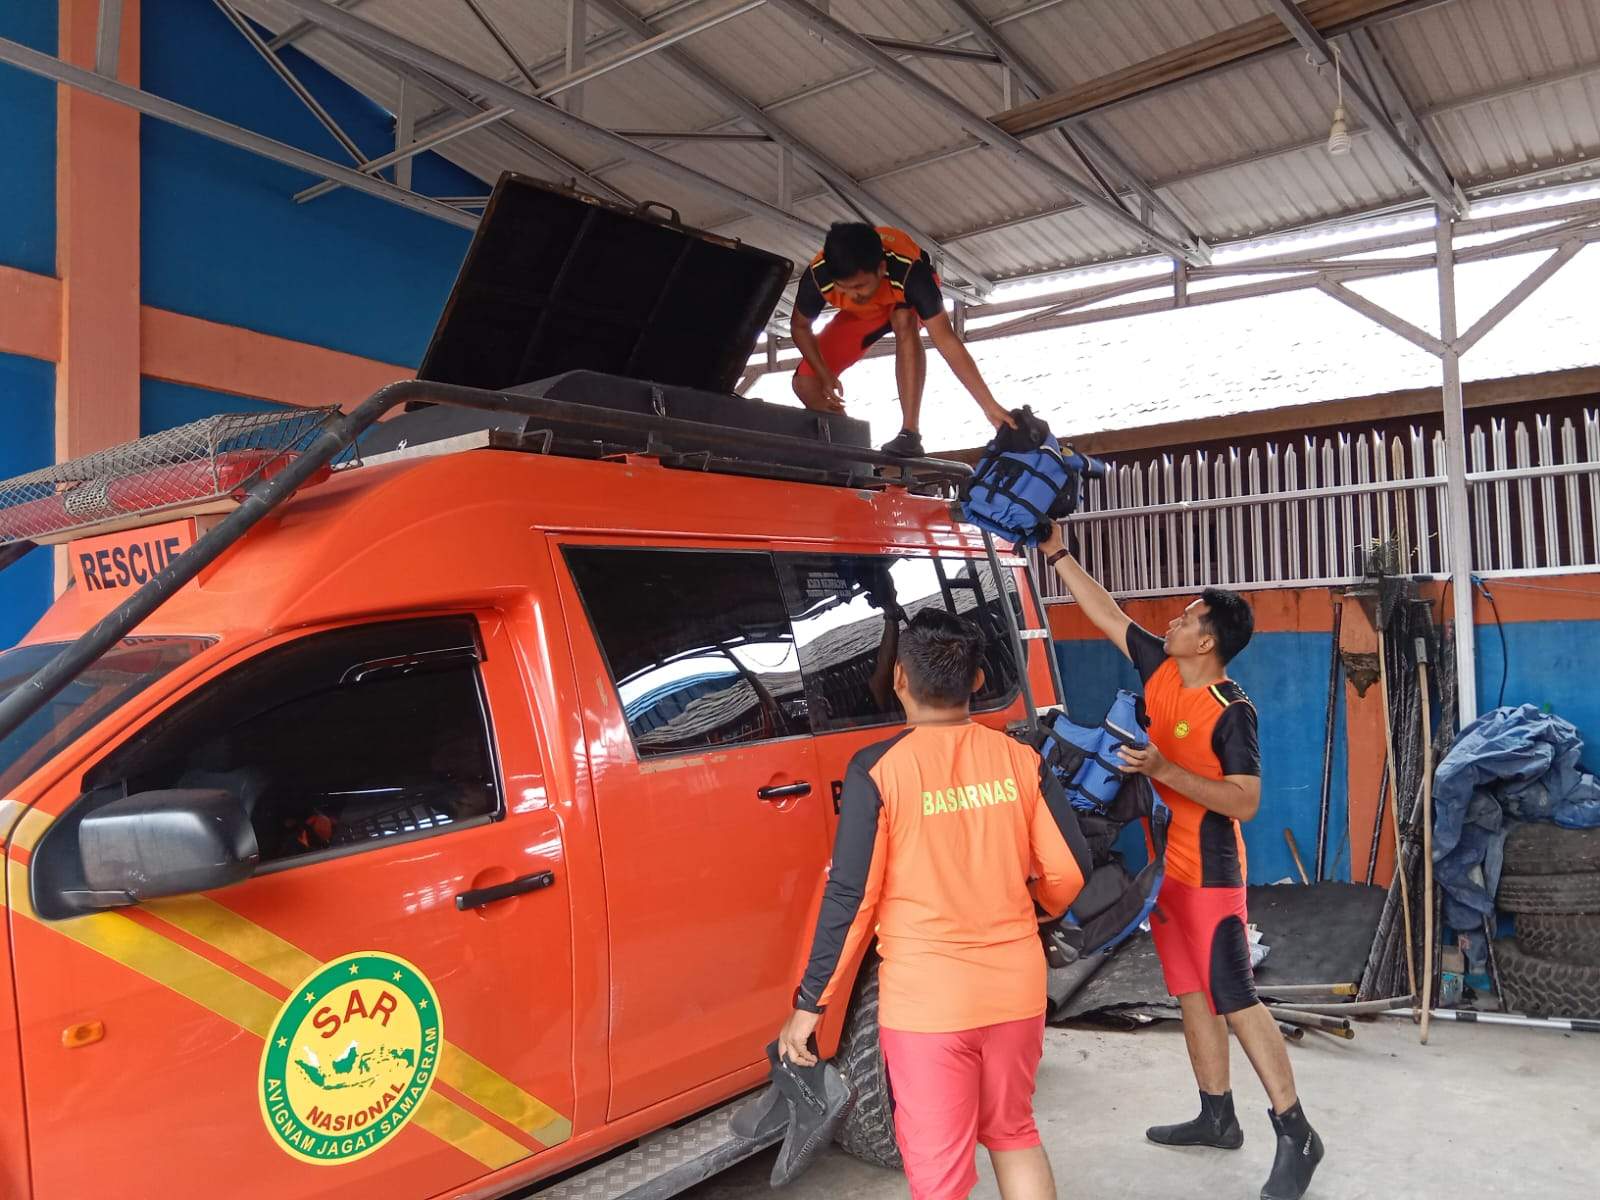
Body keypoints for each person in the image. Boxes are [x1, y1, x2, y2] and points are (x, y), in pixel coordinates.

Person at [1037, 525, 1325, 1200]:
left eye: (1190, 616)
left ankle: (1297, 1132)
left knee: (1234, 996)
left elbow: (1246, 801)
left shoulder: (1232, 710)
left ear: (1209, 641)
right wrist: (1055, 552)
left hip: (1212, 874)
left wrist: (1165, 767)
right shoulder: (1160, 670)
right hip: (1167, 873)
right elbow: (1106, 611)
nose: (1174, 619)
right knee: (1191, 993)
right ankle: (1216, 1115)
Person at [775, 608, 1091, 1200]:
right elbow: (1069, 874)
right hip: (1015, 990)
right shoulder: (1021, 760)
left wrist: (810, 1003)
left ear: (899, 679)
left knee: (939, 1172)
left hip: (928, 1005)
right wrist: (1033, 910)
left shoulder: (878, 770)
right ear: (976, 682)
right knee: (1014, 1131)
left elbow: (852, 900)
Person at [790, 222, 1015, 457]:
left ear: (881, 268)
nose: (852, 295)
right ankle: (850, 455)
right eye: (843, 288)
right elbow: (800, 327)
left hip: (903, 302)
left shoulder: (910, 273)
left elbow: (946, 341)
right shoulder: (819, 275)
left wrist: (990, 408)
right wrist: (825, 375)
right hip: (865, 314)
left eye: (859, 286)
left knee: (903, 317)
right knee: (806, 383)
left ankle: (910, 434)